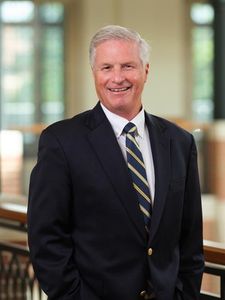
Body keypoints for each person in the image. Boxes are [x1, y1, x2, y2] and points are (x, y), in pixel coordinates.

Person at [27, 25, 205, 300]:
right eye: (106, 67)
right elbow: (46, 238)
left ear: (146, 71)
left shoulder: (180, 142)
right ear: (94, 74)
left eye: (128, 66)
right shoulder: (61, 141)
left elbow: (190, 238)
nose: (117, 78)